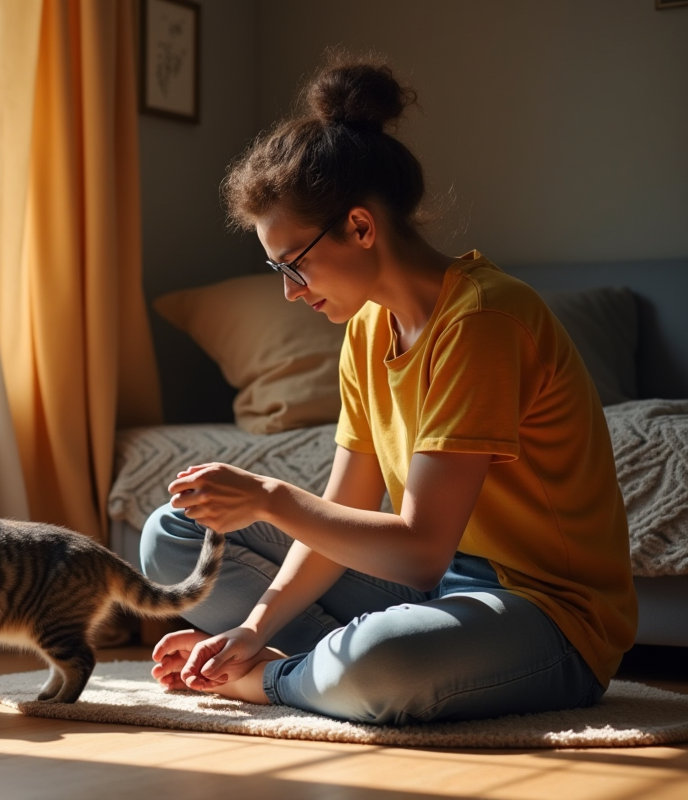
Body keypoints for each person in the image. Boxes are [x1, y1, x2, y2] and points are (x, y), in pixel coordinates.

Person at [138, 53, 638, 725]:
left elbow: (421, 545)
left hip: (543, 612)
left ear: (361, 227)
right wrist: (253, 629)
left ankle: (279, 681)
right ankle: (308, 666)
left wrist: (268, 496)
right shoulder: (369, 330)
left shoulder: (484, 321)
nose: (291, 291)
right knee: (172, 535)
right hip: (432, 590)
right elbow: (349, 510)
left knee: (386, 664)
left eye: (295, 264)